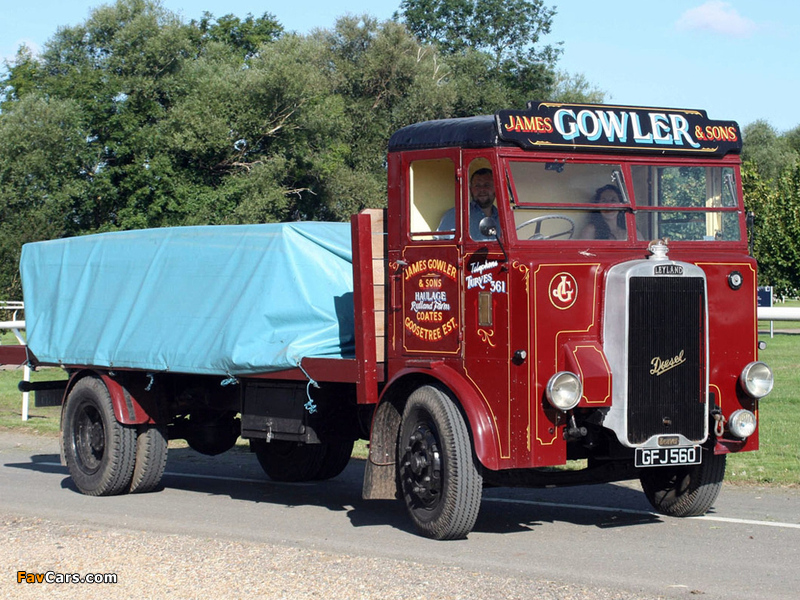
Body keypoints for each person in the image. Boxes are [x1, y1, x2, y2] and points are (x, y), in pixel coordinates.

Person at [437, 168, 500, 241]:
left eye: (487, 185)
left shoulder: (504, 219)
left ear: (496, 188)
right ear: (470, 189)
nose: (482, 189)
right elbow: (442, 245)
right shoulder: (456, 216)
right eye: (477, 186)